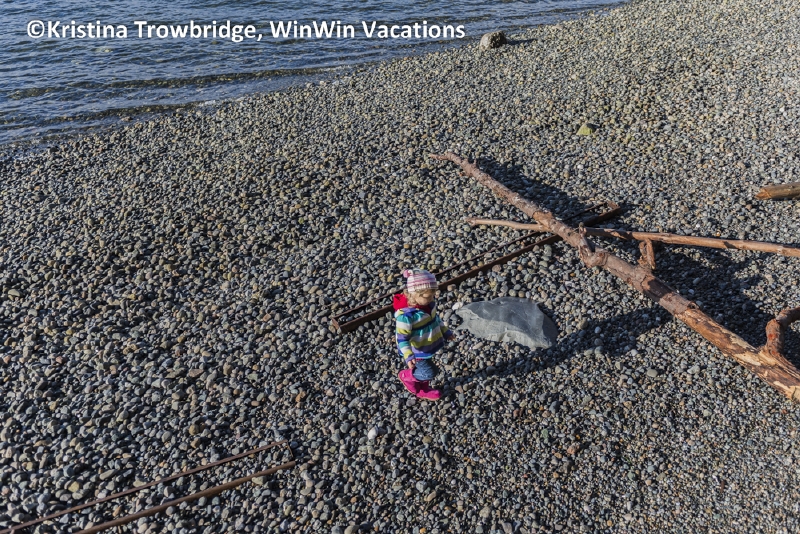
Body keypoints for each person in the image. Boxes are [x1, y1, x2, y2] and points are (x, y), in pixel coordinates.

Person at [393, 268, 455, 400]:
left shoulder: (428, 305)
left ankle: (423, 389)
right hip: (417, 350)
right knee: (430, 372)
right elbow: (402, 338)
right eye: (427, 296)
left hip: (427, 346)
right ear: (413, 294)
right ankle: (405, 376)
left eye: (432, 295)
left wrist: (445, 332)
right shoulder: (406, 316)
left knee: (428, 368)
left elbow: (435, 320)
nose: (431, 299)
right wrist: (408, 355)